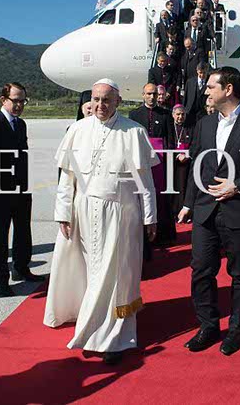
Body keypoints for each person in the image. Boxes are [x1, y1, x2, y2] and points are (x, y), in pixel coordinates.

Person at [44, 79, 158, 365]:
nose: (100, 105)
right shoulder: (77, 130)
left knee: (115, 276)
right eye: (96, 99)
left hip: (121, 213)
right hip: (83, 211)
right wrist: (63, 212)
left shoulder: (134, 132)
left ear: (118, 101)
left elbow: (145, 182)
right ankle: (89, 320)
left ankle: (114, 338)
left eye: (106, 100)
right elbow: (67, 178)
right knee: (90, 272)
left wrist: (150, 217)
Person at [178, 66, 240, 355]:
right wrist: (187, 203)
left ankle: (237, 329)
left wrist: (238, 185)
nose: (206, 91)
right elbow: (198, 166)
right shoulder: (204, 124)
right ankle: (208, 326)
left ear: (228, 89)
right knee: (201, 270)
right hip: (205, 210)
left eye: (211, 86)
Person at [0, 83, 44, 297]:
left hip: (21, 186)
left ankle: (21, 268)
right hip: (1, 188)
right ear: (3, 100)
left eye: (23, 101)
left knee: (23, 230)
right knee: (0, 235)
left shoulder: (20, 124)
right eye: (15, 100)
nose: (19, 105)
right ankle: (0, 279)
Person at [130, 83, 177, 252]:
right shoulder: (134, 114)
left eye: (154, 94)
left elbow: (170, 139)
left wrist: (169, 158)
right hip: (141, 157)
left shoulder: (165, 114)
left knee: (160, 195)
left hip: (161, 160)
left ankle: (163, 235)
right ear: (143, 95)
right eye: (149, 94)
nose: (152, 97)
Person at [169, 104, 193, 214]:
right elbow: (167, 142)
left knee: (183, 186)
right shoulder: (169, 127)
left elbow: (194, 143)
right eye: (178, 114)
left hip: (186, 162)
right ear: (173, 115)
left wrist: (187, 155)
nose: (180, 117)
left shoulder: (191, 127)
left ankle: (182, 211)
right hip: (171, 160)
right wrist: (176, 155)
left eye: (183, 114)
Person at [183, 62, 209, 128]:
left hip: (203, 112)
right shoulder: (190, 82)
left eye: (204, 73)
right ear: (197, 71)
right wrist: (184, 109)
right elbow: (185, 97)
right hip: (190, 111)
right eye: (200, 73)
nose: (202, 75)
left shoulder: (210, 82)